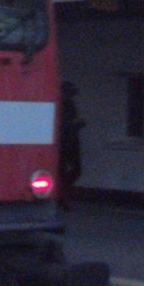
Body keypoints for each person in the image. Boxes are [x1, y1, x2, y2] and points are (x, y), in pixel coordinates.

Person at [58, 81, 84, 209]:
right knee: (71, 170)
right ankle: (62, 196)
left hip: (68, 141)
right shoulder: (64, 105)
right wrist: (76, 124)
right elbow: (65, 125)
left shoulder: (67, 104)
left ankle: (62, 195)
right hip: (66, 142)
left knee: (70, 171)